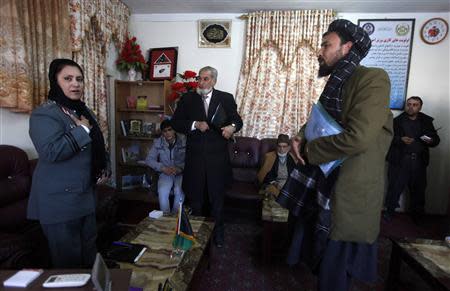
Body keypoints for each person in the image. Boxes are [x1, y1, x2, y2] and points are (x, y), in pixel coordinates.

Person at [277, 19, 393, 290]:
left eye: (326, 44)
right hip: (323, 181)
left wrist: (308, 149)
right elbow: (323, 120)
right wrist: (300, 136)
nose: (320, 51)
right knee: (319, 252)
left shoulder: (373, 78)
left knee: (335, 268)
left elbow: (359, 137)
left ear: (347, 47)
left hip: (347, 187)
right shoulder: (337, 82)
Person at [27, 58, 109, 268]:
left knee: (90, 256)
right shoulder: (44, 113)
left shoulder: (81, 110)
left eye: (79, 79)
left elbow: (96, 145)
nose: (76, 84)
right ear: (55, 82)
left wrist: (103, 167)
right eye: (68, 78)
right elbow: (51, 152)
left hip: (84, 197)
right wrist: (81, 131)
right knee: (68, 264)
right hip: (59, 203)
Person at [171, 66, 243, 248]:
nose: (200, 82)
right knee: (196, 201)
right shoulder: (188, 99)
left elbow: (237, 120)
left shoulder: (225, 98)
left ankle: (218, 236)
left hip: (217, 162)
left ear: (213, 81)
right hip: (195, 160)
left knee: (217, 201)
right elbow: (176, 123)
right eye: (199, 78)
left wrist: (231, 128)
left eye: (205, 79)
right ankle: (195, 239)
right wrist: (195, 124)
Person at [384, 96, 440, 223]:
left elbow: (435, 140)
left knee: (419, 190)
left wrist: (431, 140)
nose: (411, 107)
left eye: (415, 104)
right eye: (409, 104)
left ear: (420, 107)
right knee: (394, 188)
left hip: (419, 162)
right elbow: (386, 138)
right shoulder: (396, 121)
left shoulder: (426, 121)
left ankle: (418, 215)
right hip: (400, 161)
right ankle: (389, 212)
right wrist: (400, 139)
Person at [145, 119, 186, 213]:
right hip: (165, 173)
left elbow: (190, 160)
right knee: (163, 191)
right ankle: (166, 218)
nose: (168, 133)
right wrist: (162, 168)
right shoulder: (158, 142)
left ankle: (175, 217)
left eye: (170, 130)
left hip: (180, 173)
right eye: (165, 131)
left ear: (174, 130)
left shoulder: (184, 140)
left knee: (179, 191)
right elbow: (149, 160)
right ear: (162, 133)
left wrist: (180, 168)